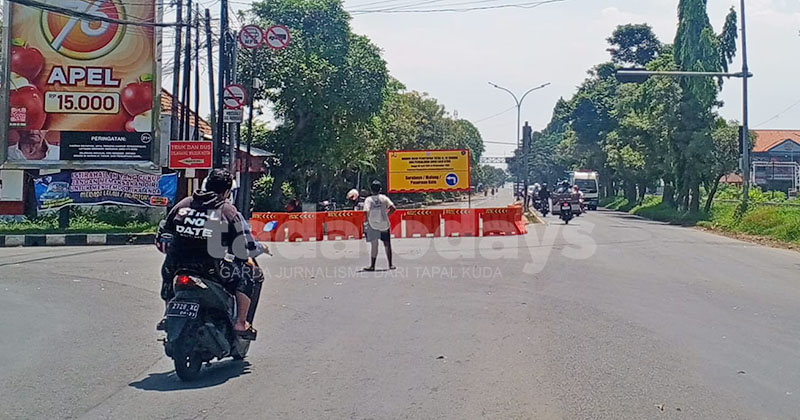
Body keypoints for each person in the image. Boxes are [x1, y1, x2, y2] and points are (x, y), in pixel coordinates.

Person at [155, 168, 265, 338]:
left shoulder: (183, 204)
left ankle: (168, 313)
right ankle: (241, 323)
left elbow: (163, 236)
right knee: (249, 273)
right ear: (227, 191)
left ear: (206, 184)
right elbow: (243, 248)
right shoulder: (228, 211)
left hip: (177, 266)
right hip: (211, 269)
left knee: (169, 272)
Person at [363, 180, 396, 271]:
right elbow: (393, 208)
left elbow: (366, 211)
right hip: (384, 224)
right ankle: (390, 264)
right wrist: (386, 215)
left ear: (371, 189)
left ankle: (372, 265)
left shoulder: (368, 200)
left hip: (373, 225)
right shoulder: (384, 198)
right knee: (387, 244)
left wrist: (366, 221)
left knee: (374, 245)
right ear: (380, 189)